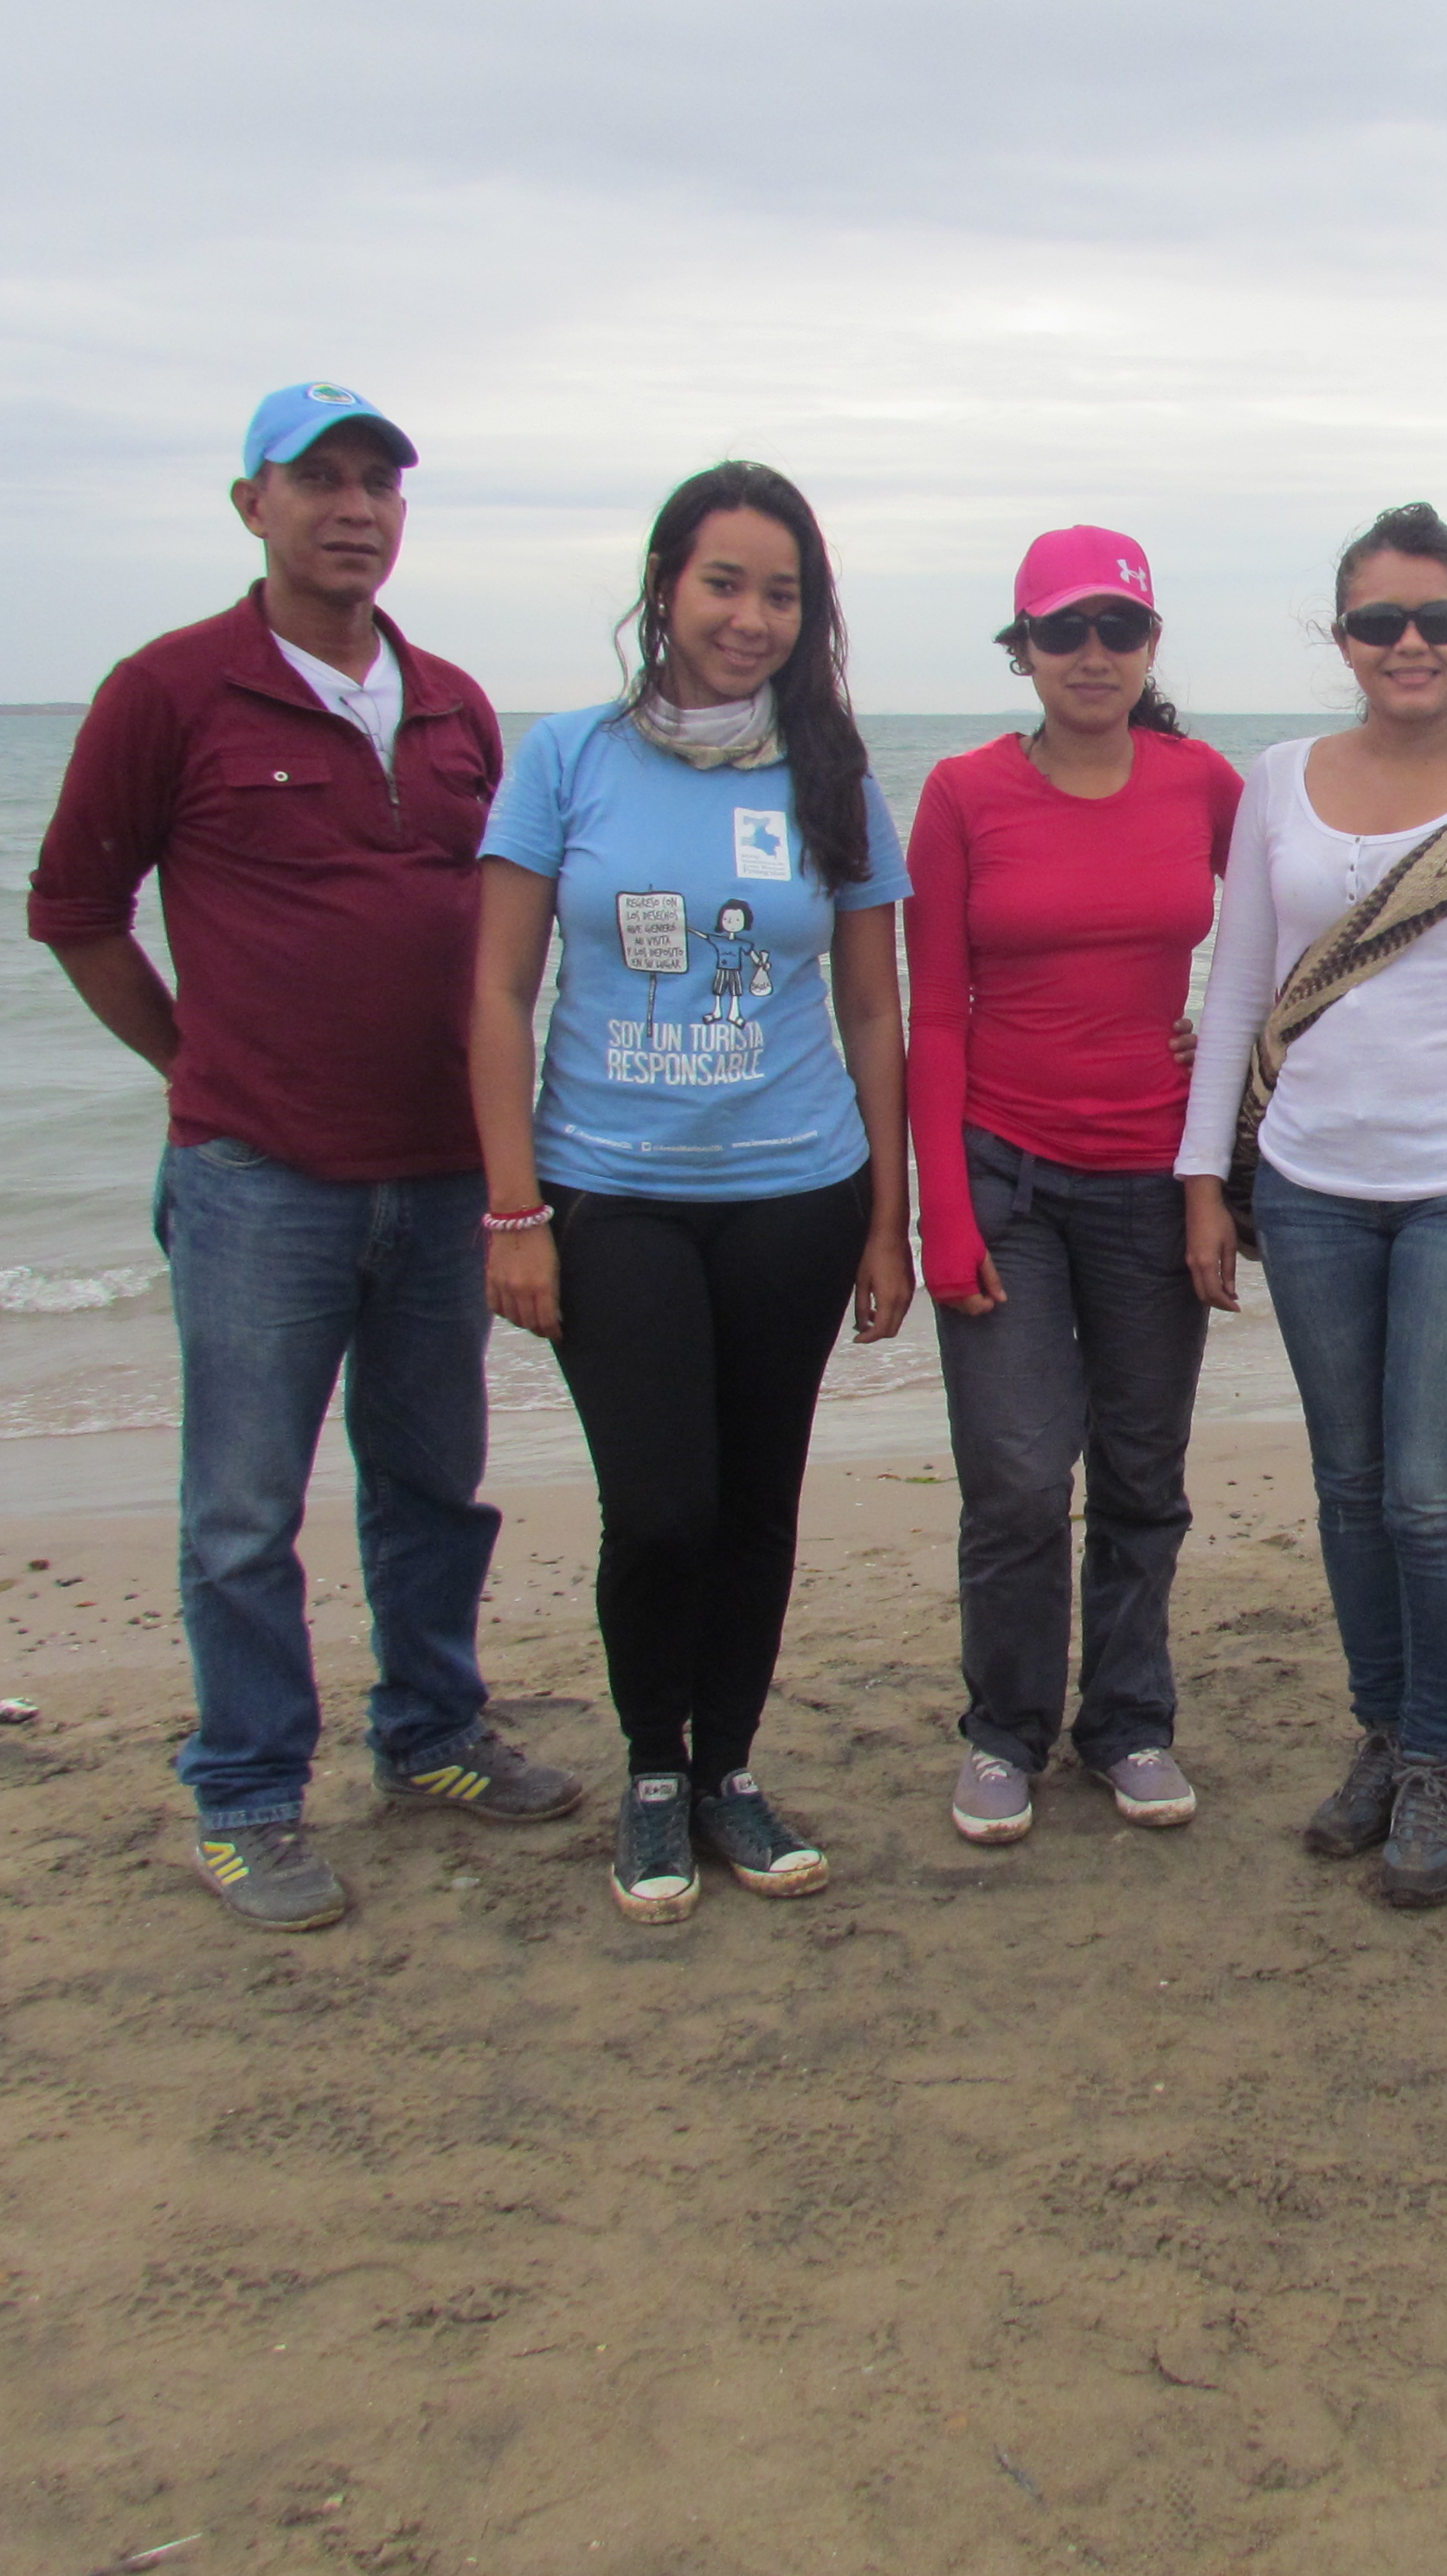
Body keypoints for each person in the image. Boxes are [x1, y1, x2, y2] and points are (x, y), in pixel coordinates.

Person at [30, 382, 582, 1931]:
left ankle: (432, 1734)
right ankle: (250, 1792)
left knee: (433, 1481)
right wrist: (192, 1061)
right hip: (258, 1177)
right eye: (319, 479)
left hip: (441, 1172)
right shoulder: (169, 690)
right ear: (251, 505)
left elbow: (503, 942)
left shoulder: (459, 703)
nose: (355, 509)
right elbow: (76, 910)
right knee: (240, 1508)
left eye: (379, 485)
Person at [470, 462, 913, 1924]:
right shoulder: (567, 758)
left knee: (757, 1504)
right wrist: (514, 1209)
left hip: (796, 1193)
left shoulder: (834, 773)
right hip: (613, 1195)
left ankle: (726, 1770)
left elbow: (869, 1012)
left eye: (781, 591)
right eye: (723, 582)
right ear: (664, 584)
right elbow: (498, 988)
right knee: (659, 1509)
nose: (750, 615)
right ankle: (650, 1771)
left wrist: (887, 1217)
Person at [1175, 504, 1447, 1911]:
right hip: (1307, 1192)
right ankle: (1383, 1732)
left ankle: (1441, 1768)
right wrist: (1203, 1183)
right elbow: (1236, 992)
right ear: (1340, 637)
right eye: (1379, 622)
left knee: (1429, 1498)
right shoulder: (1276, 779)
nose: (1410, 646)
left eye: (1440, 621)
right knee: (1347, 1491)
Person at [908, 526, 1241, 1846]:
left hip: (1158, 1181)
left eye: (1118, 630)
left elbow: (1296, 941)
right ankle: (1004, 1730)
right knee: (1017, 1478)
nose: (1092, 655)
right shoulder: (960, 794)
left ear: (1150, 644)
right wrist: (941, 1209)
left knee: (1144, 1473)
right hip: (1004, 1173)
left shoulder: (1202, 781)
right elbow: (933, 1017)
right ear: (1024, 650)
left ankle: (1128, 1723)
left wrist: (1228, 1046)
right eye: (1064, 632)